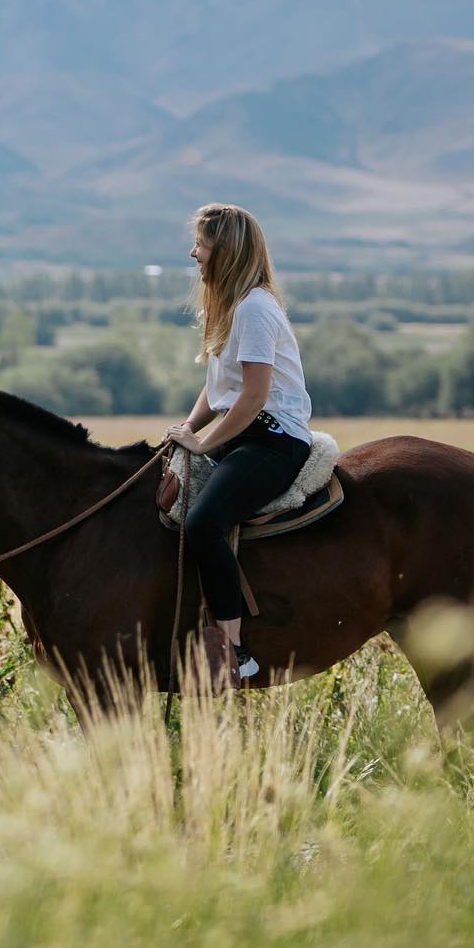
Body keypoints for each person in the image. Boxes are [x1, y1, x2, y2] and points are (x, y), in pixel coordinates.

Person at [164, 203, 312, 683]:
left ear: (224, 251)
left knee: (205, 522)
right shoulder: (230, 306)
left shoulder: (254, 309)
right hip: (242, 432)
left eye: (202, 244)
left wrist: (202, 444)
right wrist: (185, 433)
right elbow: (218, 385)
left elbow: (252, 397)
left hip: (272, 441)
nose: (194, 253)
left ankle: (233, 653)